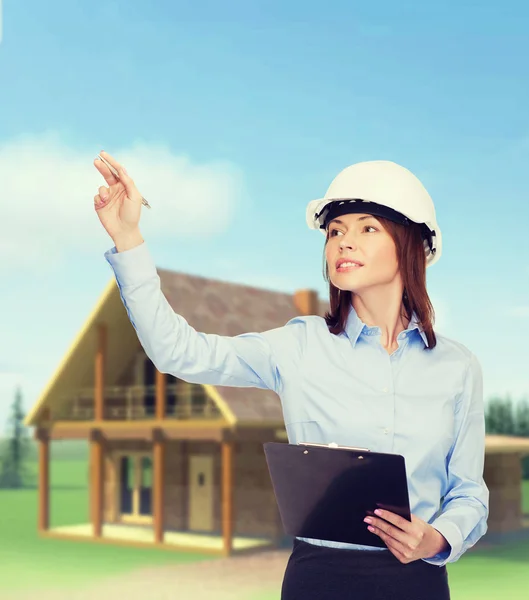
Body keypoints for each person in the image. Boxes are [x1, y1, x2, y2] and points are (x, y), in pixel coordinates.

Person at [93, 151, 489, 600]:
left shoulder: (458, 367)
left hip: (417, 582)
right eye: (335, 231)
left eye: (367, 228)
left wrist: (437, 539)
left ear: (412, 244)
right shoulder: (298, 346)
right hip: (318, 580)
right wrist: (128, 238)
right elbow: (178, 351)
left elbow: (470, 493)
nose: (344, 242)